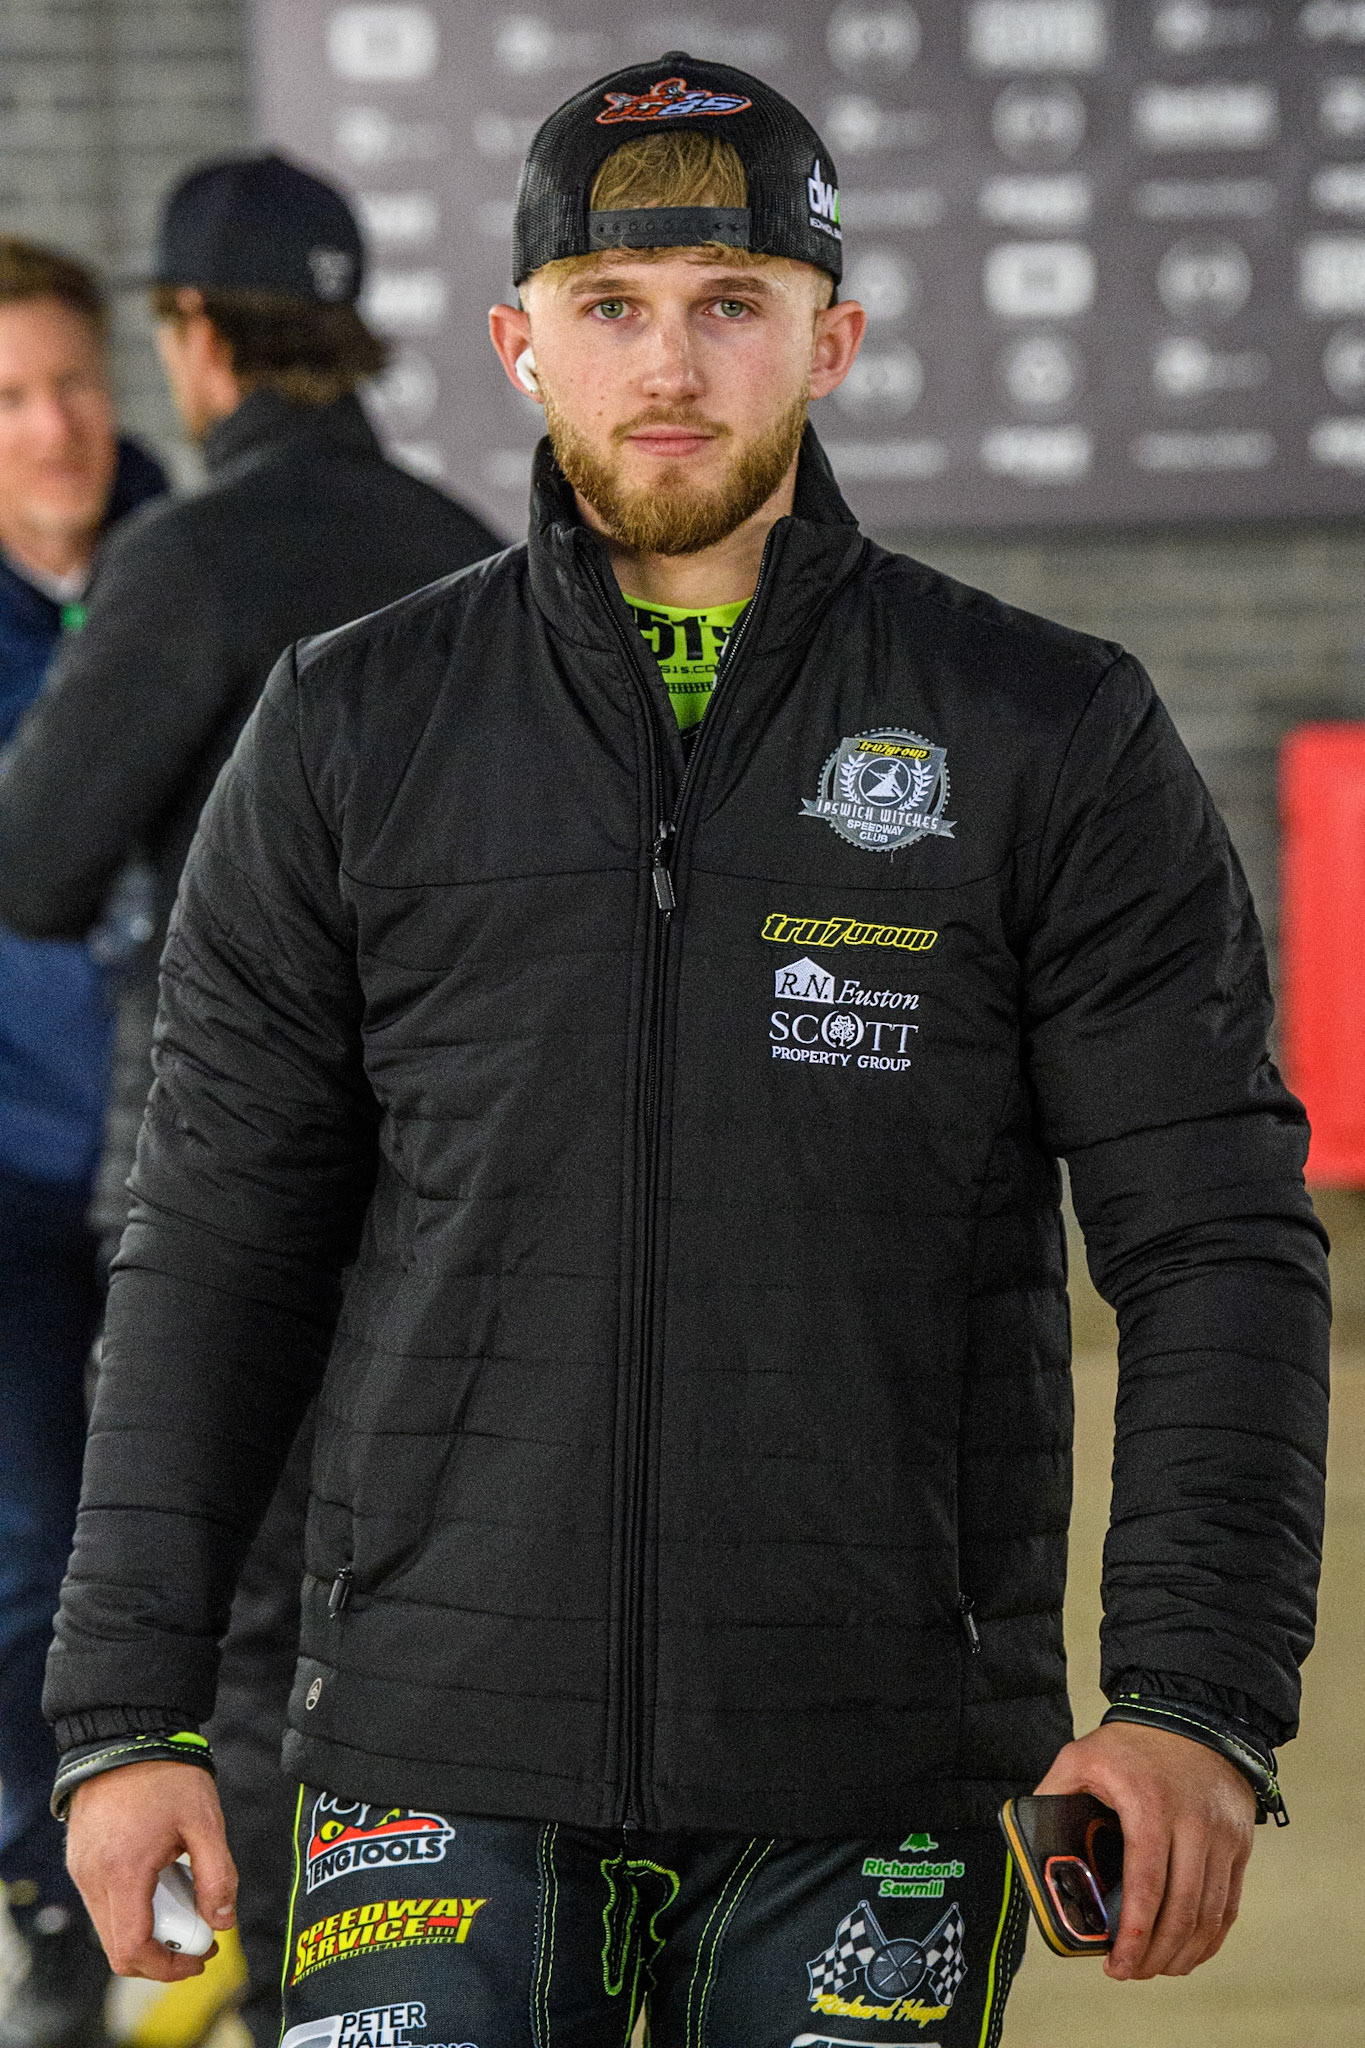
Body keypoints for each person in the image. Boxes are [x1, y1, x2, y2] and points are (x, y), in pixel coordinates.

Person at [44, 58, 1329, 2048]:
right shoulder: (352, 725)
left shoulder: (1041, 728)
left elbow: (1216, 1241)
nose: (669, 364)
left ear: (829, 340)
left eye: (730, 301)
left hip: (872, 1766)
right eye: (610, 306)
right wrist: (124, 1711)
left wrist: (1191, 1693)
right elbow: (211, 1241)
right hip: (431, 1754)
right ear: (516, 343)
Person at [0, 156, 500, 2048]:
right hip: (465, 1192)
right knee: (419, 1622)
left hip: (228, 1192)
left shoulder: (192, 563)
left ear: (196, 342)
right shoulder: (478, 539)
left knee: (237, 1630)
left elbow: (36, 869)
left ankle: (299, 1991)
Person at [0, 236, 166, 2048]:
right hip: (6, 1177)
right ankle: (51, 1903)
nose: (54, 429)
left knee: (228, 1552)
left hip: (193, 1168)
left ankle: (272, 1909)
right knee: (27, 1548)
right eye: (10, 399)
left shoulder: (197, 565)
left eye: (74, 385)